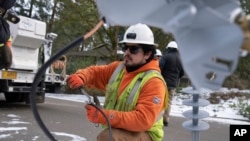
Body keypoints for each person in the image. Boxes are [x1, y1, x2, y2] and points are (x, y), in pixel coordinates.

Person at [67, 23, 168, 141]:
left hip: (146, 133)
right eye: (125, 47)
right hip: (125, 129)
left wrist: (104, 116)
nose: (127, 53)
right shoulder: (119, 69)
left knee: (108, 137)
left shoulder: (153, 82)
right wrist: (81, 76)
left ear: (147, 54)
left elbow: (142, 120)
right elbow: (95, 73)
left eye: (134, 49)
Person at [159, 41, 184, 126]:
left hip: (163, 83)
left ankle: (157, 119)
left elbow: (159, 67)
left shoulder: (166, 57)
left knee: (160, 101)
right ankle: (166, 120)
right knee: (169, 102)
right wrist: (176, 78)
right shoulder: (180, 59)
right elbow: (182, 73)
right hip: (173, 84)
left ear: (169, 48)